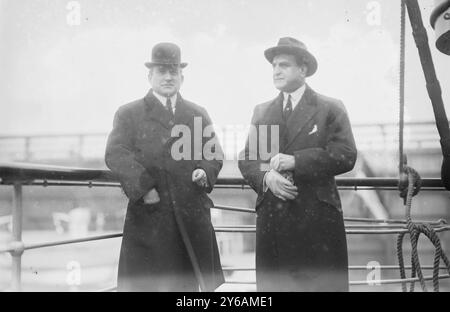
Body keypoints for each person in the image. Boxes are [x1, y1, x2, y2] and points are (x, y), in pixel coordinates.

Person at [238, 37, 357, 291]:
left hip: (317, 225)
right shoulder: (262, 111)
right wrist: (266, 177)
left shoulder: (329, 108)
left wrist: (296, 161)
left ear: (303, 69)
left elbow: (346, 154)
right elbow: (249, 158)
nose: (276, 71)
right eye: (273, 66)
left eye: (284, 65)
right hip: (274, 223)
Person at [105, 42, 224, 291]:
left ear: (182, 77)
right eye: (162, 71)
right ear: (150, 76)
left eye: (174, 71)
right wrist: (145, 188)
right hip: (151, 216)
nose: (168, 77)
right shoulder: (129, 113)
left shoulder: (197, 113)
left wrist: (204, 170)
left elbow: (214, 153)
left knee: (189, 288)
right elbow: (116, 153)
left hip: (191, 216)